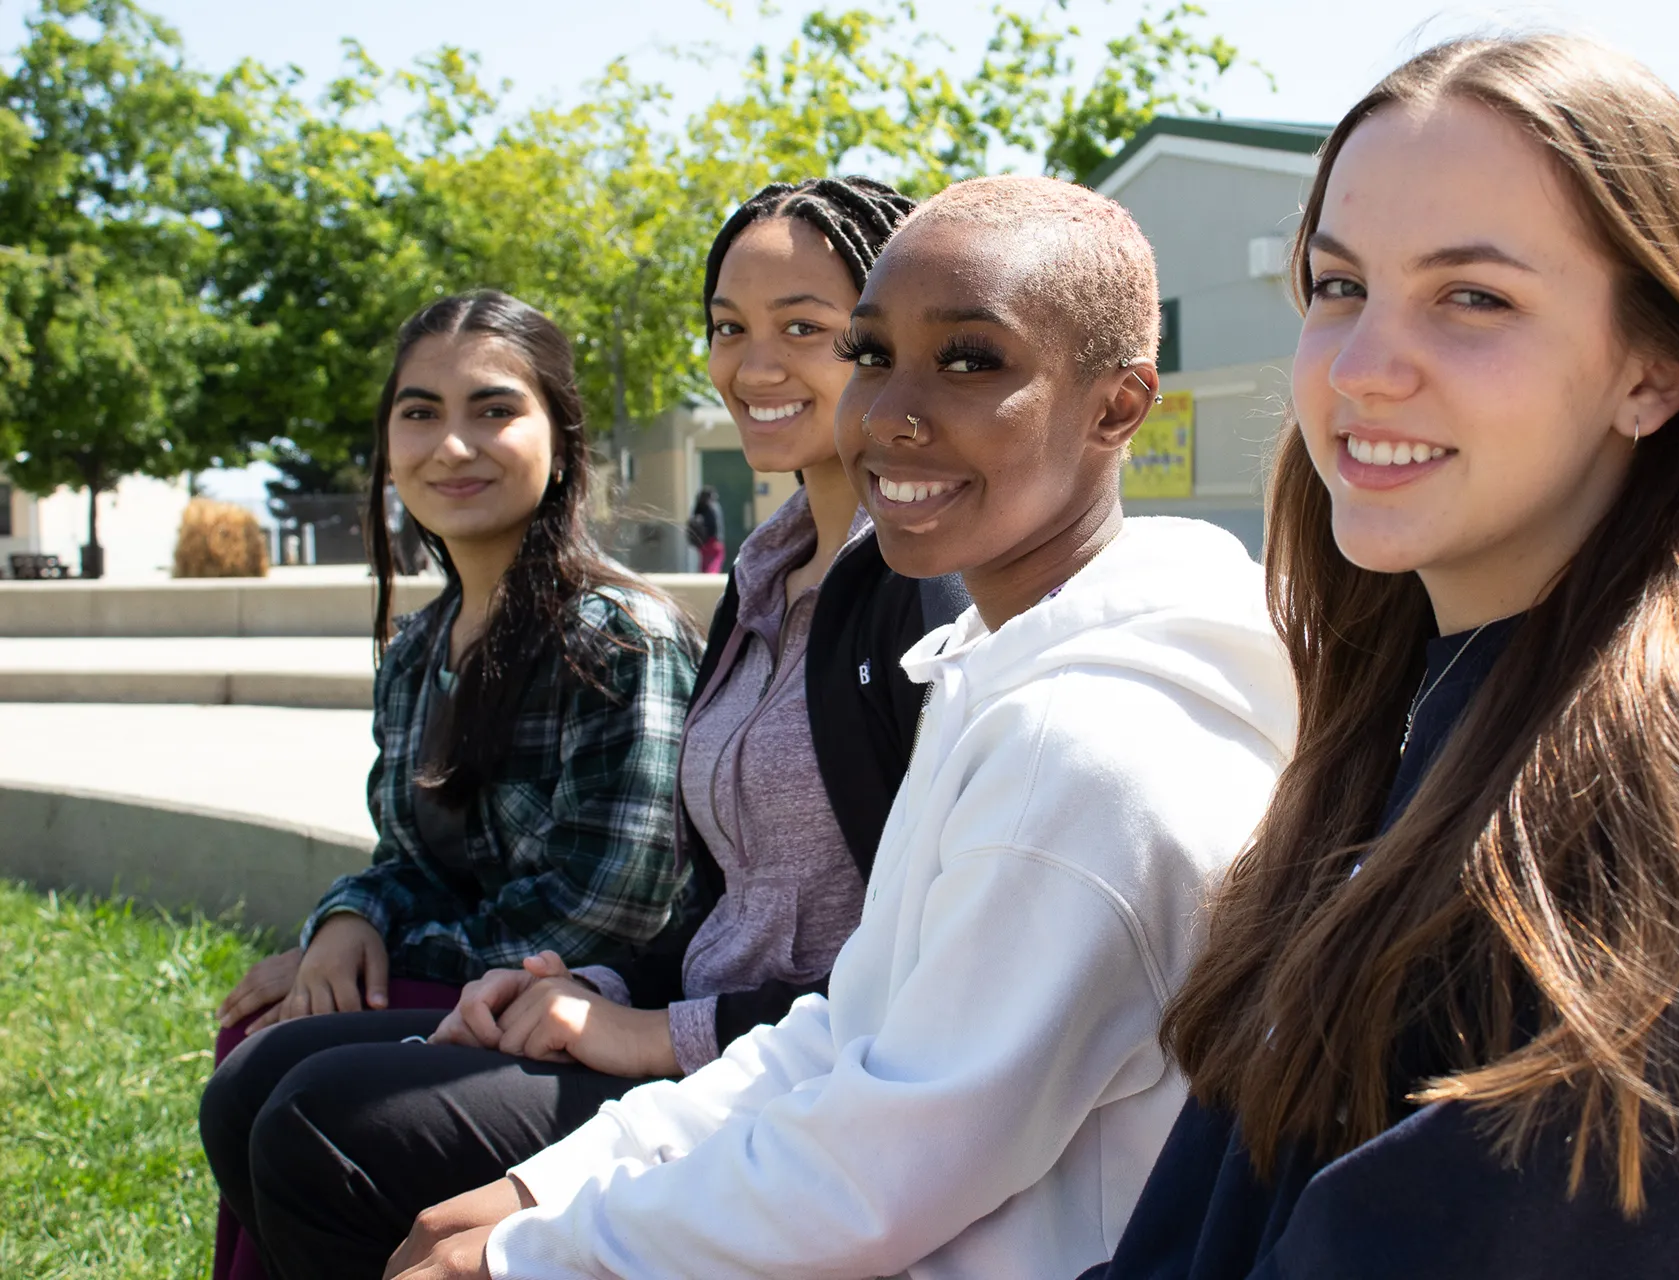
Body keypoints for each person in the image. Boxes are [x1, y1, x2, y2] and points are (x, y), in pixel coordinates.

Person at [1089, 33, 1679, 1280]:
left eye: (1472, 297)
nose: (1365, 365)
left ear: (1651, 372)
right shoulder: (1424, 697)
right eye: (1337, 285)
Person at [384, 175, 1296, 1280]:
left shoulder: (1086, 749)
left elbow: (882, 1171)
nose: (890, 414)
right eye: (871, 354)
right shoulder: (991, 665)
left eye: (971, 360)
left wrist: (538, 1251)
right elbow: (849, 1033)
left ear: (1117, 405)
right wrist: (554, 1186)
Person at [201, 179, 973, 1280]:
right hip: (687, 1017)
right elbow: (717, 903)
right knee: (256, 1079)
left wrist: (643, 1022)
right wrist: (578, 988)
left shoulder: (912, 597)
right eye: (728, 328)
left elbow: (911, 970)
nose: (754, 366)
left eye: (804, 327)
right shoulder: (762, 585)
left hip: (788, 1072)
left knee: (321, 1119)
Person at [199, 290, 699, 1280]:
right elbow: (413, 858)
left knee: (289, 1056)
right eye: (420, 412)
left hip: (591, 1006)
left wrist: (363, 959)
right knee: (256, 1035)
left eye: (495, 410)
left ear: (561, 435)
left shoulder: (615, 638)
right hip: (482, 981)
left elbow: (607, 909)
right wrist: (345, 923)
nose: (453, 444)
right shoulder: (421, 643)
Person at [685, 486, 725, 573]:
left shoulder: (698, 508)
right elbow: (716, 525)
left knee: (705, 563)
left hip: (703, 543)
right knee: (715, 562)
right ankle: (711, 579)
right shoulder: (713, 507)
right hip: (713, 541)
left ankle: (704, 578)